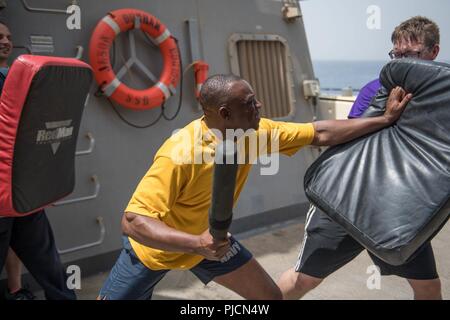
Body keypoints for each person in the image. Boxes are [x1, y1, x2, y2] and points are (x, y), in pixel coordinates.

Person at [98, 72, 411, 300]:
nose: (259, 105)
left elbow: (320, 133)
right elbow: (132, 221)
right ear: (225, 114)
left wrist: (384, 120)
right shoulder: (181, 153)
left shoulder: (253, 132)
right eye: (250, 102)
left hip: (211, 246)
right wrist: (196, 243)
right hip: (156, 252)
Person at [278, 16, 442, 300]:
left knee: (428, 287)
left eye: (411, 55)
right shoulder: (374, 91)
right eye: (397, 55)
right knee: (302, 280)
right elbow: (350, 141)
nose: (402, 62)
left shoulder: (442, 102)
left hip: (397, 207)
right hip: (347, 197)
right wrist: (386, 116)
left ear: (434, 52)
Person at [0, 20, 76, 300]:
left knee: (49, 265)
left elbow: (39, 134)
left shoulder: (20, 80)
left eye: (8, 36)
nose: (6, 41)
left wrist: (47, 184)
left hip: (24, 193)